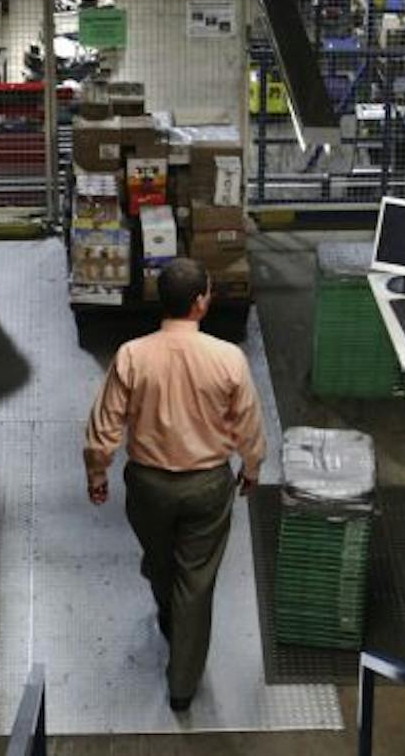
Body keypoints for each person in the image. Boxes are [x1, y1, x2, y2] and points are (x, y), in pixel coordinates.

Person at [83, 258, 266, 712]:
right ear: (201, 302)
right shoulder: (228, 358)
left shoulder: (131, 355)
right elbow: (249, 425)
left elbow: (105, 424)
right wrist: (253, 467)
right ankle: (182, 685)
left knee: (161, 560)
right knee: (196, 581)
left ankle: (168, 612)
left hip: (147, 486)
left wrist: (97, 470)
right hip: (207, 486)